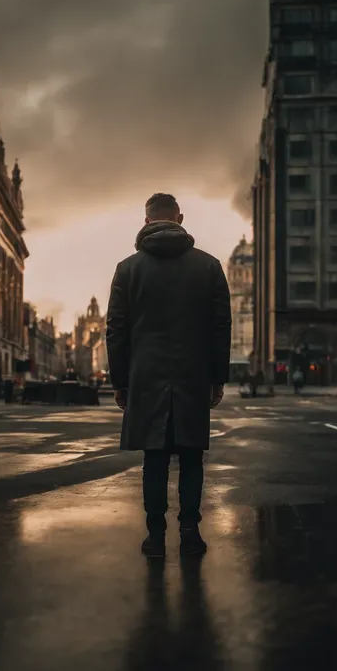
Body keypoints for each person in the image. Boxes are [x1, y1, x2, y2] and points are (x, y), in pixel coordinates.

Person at [106, 193, 231, 558]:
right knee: (191, 457)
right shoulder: (208, 266)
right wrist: (217, 378)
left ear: (146, 222)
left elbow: (116, 329)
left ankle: (155, 537)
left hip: (145, 376)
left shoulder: (128, 268)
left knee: (155, 459)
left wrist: (120, 382)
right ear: (180, 218)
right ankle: (190, 532)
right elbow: (220, 326)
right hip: (193, 375)